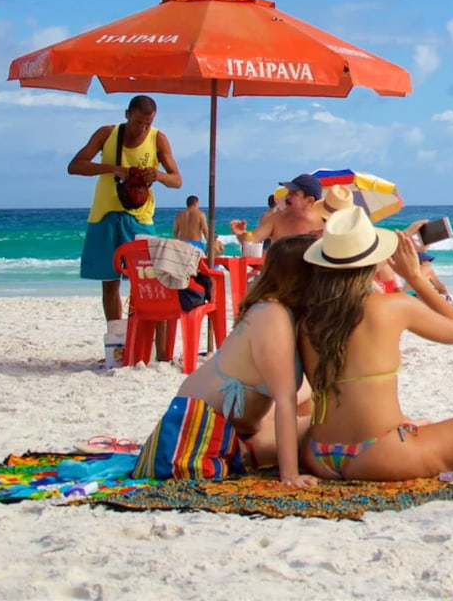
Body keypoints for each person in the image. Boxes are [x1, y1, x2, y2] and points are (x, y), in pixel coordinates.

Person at [298, 208, 453, 481]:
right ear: (375, 261)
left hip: (317, 454)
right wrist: (414, 276)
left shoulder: (306, 316)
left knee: (416, 425)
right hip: (381, 453)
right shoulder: (391, 306)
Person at [133, 235, 318, 487]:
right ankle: (264, 455)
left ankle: (265, 451)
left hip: (215, 420)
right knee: (322, 429)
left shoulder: (271, 308)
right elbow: (284, 399)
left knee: (312, 402)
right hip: (200, 437)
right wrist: (290, 476)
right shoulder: (274, 317)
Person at [69, 95, 182, 323]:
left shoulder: (158, 139)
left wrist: (158, 175)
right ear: (127, 114)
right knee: (109, 282)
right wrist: (113, 169)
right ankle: (116, 337)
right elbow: (75, 166)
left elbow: (177, 180)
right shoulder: (107, 134)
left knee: (144, 280)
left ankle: (136, 335)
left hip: (139, 217)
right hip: (104, 214)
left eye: (147, 123)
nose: (142, 128)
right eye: (138, 122)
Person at [230, 174, 324, 248]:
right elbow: (252, 239)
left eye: (293, 194)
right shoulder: (277, 218)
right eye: (288, 192)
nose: (287, 197)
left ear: (309, 200)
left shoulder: (326, 222)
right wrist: (241, 233)